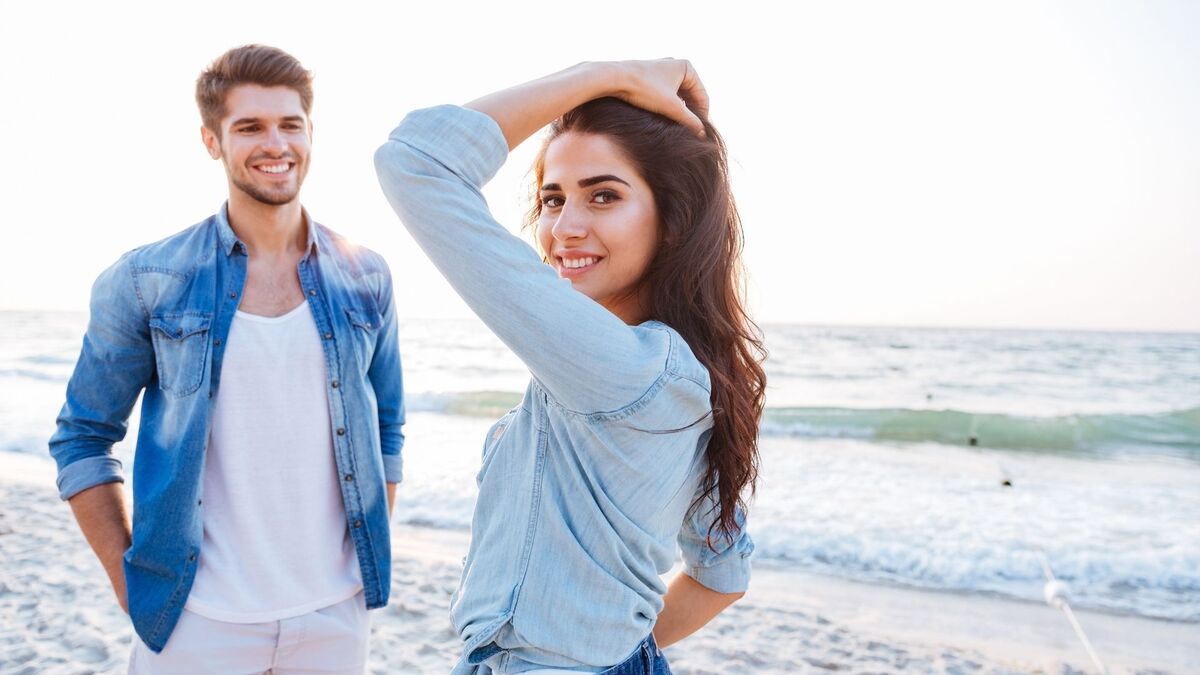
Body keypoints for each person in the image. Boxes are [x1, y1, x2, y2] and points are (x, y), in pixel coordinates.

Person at [374, 59, 765, 674]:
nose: (564, 228)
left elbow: (416, 161)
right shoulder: (679, 371)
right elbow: (723, 574)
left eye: (603, 196)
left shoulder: (634, 372)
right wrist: (613, 653)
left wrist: (605, 75)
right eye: (552, 199)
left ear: (673, 219)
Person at [48, 44, 404, 673]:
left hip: (333, 615)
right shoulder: (147, 279)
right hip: (197, 617)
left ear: (311, 133)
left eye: (290, 124)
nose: (276, 144)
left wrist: (359, 563)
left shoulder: (364, 275)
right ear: (213, 141)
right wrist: (128, 580)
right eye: (250, 127)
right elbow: (82, 437)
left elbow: (386, 431)